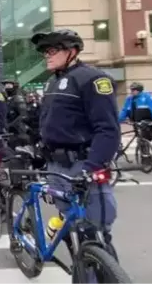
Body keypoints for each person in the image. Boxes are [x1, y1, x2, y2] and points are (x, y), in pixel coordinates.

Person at [30, 29, 120, 254]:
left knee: (94, 229)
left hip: (81, 163)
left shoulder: (93, 79)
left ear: (71, 51)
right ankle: (81, 265)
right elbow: (49, 122)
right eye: (45, 52)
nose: (47, 56)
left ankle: (98, 271)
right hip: (56, 165)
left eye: (52, 51)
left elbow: (108, 129)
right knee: (70, 223)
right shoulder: (54, 82)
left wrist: (92, 166)